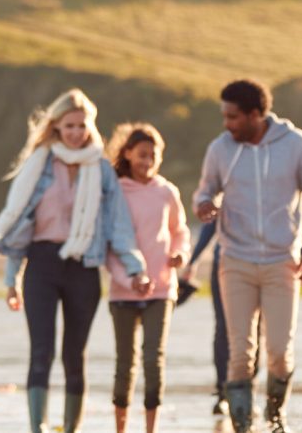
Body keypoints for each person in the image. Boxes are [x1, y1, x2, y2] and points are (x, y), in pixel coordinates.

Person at [0, 88, 148, 433]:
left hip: (83, 266)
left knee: (74, 356)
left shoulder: (101, 170)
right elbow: (19, 226)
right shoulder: (38, 165)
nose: (76, 132)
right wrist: (10, 280)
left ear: (90, 126)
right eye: (69, 125)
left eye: (82, 125)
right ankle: (37, 427)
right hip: (42, 263)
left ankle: (71, 428)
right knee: (41, 352)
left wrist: (135, 267)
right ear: (56, 127)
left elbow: (118, 225)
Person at [193, 79, 302, 433]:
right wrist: (204, 205)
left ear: (256, 114)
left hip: (281, 261)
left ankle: (274, 420)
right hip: (235, 261)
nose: (227, 124)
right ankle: (242, 426)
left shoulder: (295, 145)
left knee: (278, 350)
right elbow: (204, 190)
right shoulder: (220, 149)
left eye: (233, 117)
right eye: (225, 116)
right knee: (239, 352)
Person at [103, 123, 190, 432]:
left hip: (162, 289)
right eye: (141, 155)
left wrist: (180, 255)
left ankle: (150, 429)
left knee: (154, 361)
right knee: (124, 365)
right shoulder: (114, 190)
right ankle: (120, 428)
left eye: (153, 156)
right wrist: (130, 280)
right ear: (127, 154)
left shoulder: (167, 192)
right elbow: (110, 247)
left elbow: (180, 232)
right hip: (123, 292)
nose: (147, 161)